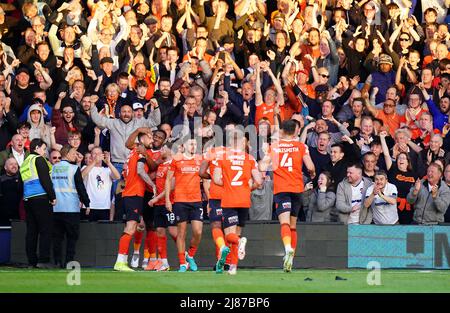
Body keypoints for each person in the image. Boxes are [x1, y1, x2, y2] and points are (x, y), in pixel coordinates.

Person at [259, 120, 315, 272]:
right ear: (296, 131)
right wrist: (312, 173)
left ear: (282, 131)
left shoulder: (274, 147)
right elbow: (310, 167)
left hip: (282, 189)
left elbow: (262, 167)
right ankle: (291, 258)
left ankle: (287, 248)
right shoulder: (302, 147)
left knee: (283, 223)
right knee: (293, 225)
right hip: (297, 189)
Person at [213, 130, 262, 275]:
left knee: (229, 236)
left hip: (229, 199)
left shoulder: (221, 157)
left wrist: (228, 184)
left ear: (229, 142)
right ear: (242, 142)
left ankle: (239, 244)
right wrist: (247, 187)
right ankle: (233, 267)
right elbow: (259, 181)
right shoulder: (250, 159)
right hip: (244, 200)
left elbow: (215, 179)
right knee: (237, 234)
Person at [113, 131, 156, 272]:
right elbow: (140, 171)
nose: (152, 139)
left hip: (128, 193)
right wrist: (153, 185)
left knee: (134, 226)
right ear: (141, 139)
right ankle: (120, 261)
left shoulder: (133, 151)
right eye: (149, 136)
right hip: (134, 193)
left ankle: (123, 261)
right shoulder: (140, 152)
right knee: (131, 227)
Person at [165, 138, 203, 272]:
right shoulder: (176, 159)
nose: (193, 146)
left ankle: (190, 255)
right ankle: (182, 263)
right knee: (181, 232)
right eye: (191, 144)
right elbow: (168, 180)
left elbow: (205, 177)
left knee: (198, 231)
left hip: (196, 200)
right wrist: (167, 200)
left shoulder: (200, 159)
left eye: (195, 144)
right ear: (184, 146)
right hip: (180, 200)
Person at [51, 145, 90, 268]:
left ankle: (57, 262)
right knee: (72, 237)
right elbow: (80, 187)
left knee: (57, 237)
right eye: (73, 153)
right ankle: (69, 262)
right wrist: (87, 203)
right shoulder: (73, 169)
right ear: (67, 154)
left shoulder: (53, 168)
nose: (75, 155)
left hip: (56, 208)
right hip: (71, 208)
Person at [19, 138, 56, 269]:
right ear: (36, 148)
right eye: (44, 149)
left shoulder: (25, 162)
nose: (45, 152)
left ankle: (32, 261)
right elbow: (45, 179)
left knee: (32, 231)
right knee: (46, 229)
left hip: (28, 200)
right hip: (41, 198)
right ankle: (44, 260)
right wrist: (52, 196)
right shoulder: (39, 159)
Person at [81, 147, 120, 222]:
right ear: (91, 156)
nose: (97, 155)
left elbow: (117, 176)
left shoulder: (107, 170)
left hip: (104, 207)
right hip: (89, 207)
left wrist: (108, 163)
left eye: (99, 153)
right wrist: (94, 162)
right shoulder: (86, 167)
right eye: (94, 153)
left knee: (102, 231)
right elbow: (82, 175)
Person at [0, 158, 23, 226]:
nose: (14, 166)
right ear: (5, 167)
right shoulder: (1, 179)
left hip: (19, 215)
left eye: (16, 164)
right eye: (11, 164)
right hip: (4, 216)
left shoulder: (22, 178)